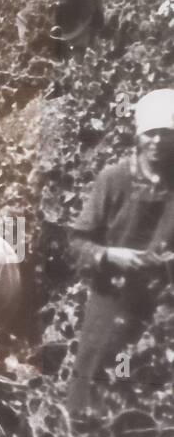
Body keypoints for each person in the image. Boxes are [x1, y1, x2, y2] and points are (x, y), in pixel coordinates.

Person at [68, 89, 174, 411]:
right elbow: (76, 242)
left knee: (130, 378)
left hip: (155, 305)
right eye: (150, 133)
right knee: (93, 378)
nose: (157, 141)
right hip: (109, 299)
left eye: (166, 133)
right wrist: (112, 255)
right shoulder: (113, 180)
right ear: (138, 135)